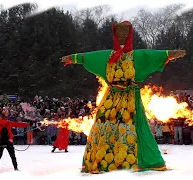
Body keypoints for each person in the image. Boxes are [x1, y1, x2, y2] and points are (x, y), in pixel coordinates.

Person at [61, 21, 186, 173]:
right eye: (119, 33)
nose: (122, 36)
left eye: (125, 33)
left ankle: (136, 160)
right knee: (104, 127)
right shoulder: (107, 56)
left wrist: (170, 54)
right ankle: (103, 161)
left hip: (131, 98)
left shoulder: (136, 57)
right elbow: (88, 57)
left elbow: (152, 56)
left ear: (130, 35)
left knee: (132, 128)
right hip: (111, 100)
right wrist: (73, 58)